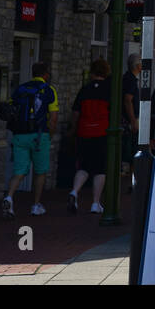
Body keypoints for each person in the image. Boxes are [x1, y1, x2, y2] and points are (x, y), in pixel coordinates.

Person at [2, 62, 58, 218]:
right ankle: (36, 205)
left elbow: (10, 111)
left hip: (20, 135)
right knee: (40, 172)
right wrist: (50, 134)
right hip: (40, 136)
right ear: (46, 74)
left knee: (19, 171)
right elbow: (53, 118)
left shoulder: (20, 89)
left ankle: (9, 197)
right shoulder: (49, 90)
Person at [67, 59, 111, 215]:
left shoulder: (84, 89)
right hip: (102, 133)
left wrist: (74, 129)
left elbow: (75, 113)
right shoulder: (109, 89)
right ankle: (95, 202)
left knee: (84, 166)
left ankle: (74, 191)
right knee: (100, 169)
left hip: (84, 132)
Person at [121, 53, 140, 181]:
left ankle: (131, 180)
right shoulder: (131, 80)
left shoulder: (126, 78)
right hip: (128, 120)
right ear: (137, 65)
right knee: (132, 150)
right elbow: (128, 100)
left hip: (126, 119)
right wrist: (133, 121)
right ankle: (132, 181)